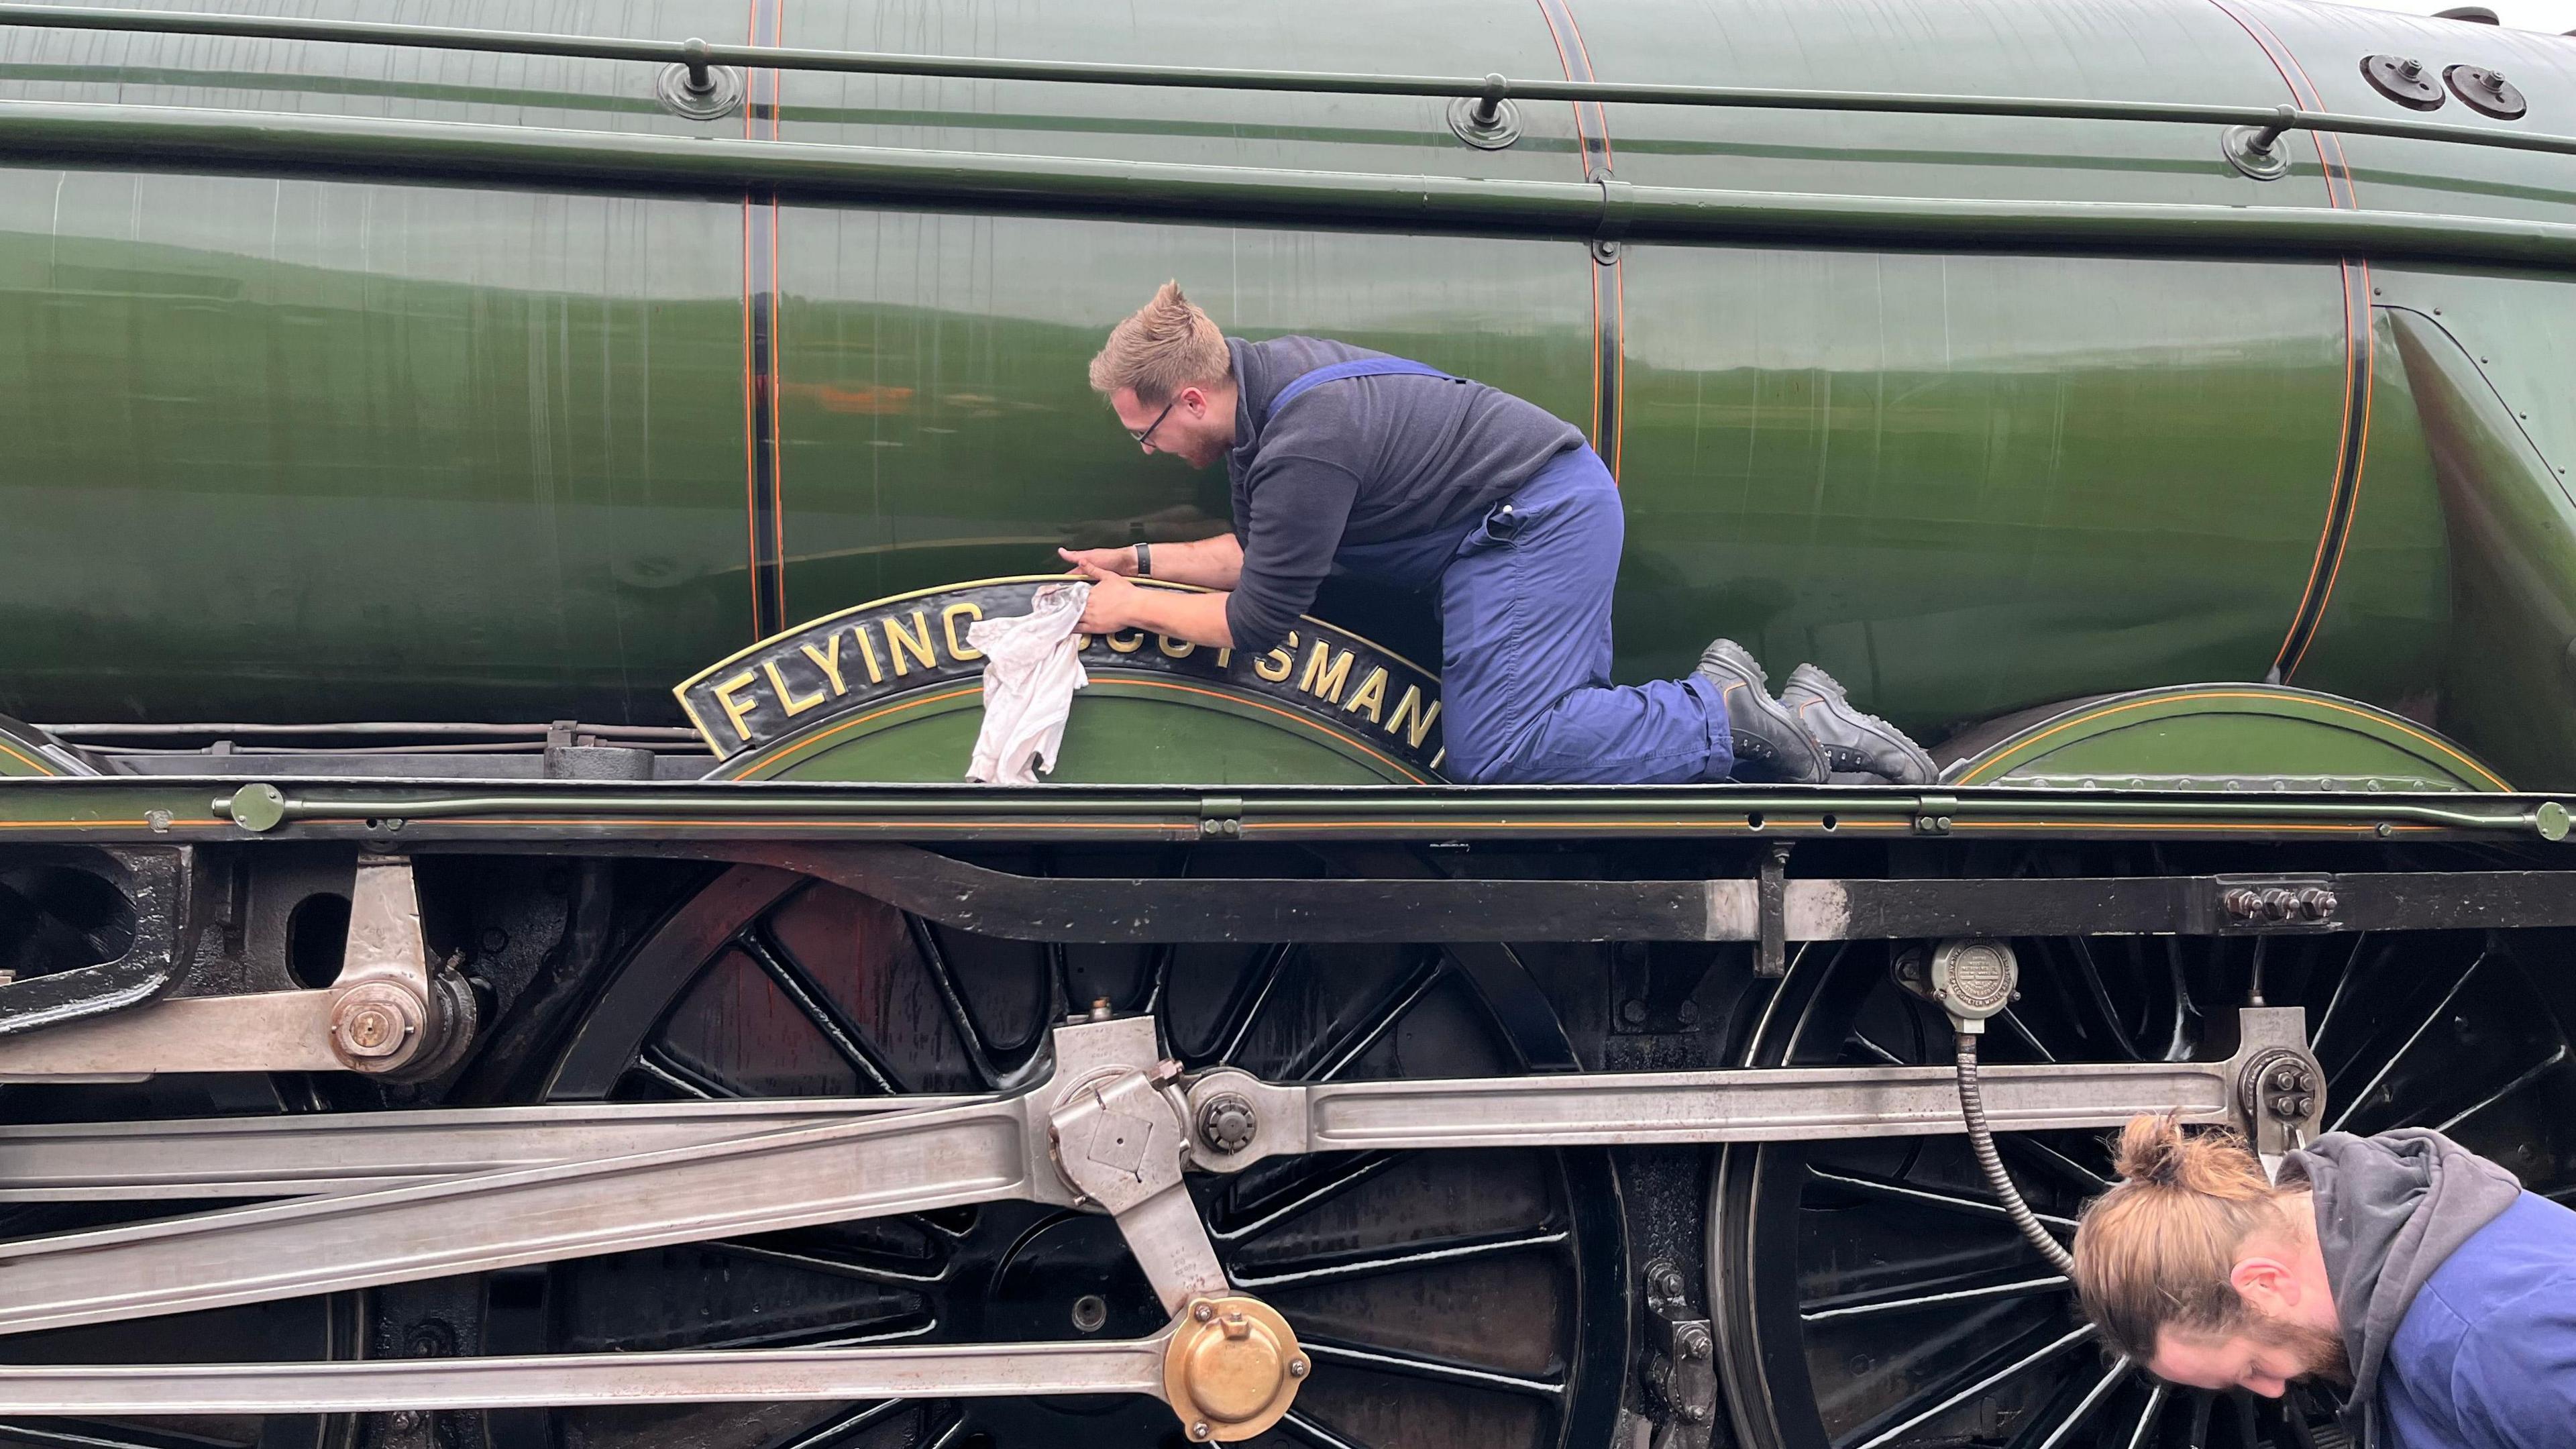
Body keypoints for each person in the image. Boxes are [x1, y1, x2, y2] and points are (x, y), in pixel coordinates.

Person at [1056, 282, 1936, 786]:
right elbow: (1266, 555)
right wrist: (1135, 562)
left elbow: (1258, 620)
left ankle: (1723, 708)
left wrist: (1133, 605)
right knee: (1575, 760)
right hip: (1525, 518)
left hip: (1533, 522)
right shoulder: (1270, 397)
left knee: (1503, 755)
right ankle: (1804, 724)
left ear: (1194, 399)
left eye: (1148, 433)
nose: (1153, 450)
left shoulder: (1304, 437)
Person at [2069, 1113, 2576, 1448]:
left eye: (2251, 1366)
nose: (2270, 1389)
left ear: (2264, 1284)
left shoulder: (2499, 1342)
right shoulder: (2389, 1274)